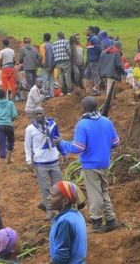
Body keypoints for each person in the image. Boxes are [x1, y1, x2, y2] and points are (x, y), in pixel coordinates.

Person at [56, 96, 120, 233]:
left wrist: (62, 143)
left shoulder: (83, 124)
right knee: (104, 190)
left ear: (83, 108)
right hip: (105, 162)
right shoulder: (106, 121)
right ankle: (111, 219)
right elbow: (116, 143)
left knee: (94, 193)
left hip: (91, 164)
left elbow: (78, 147)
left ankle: (96, 221)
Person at [24, 106, 65, 220]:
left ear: (44, 113)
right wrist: (29, 161)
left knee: (58, 187)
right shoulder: (30, 129)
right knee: (45, 188)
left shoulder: (52, 125)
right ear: (33, 116)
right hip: (40, 163)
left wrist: (63, 152)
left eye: (40, 113)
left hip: (54, 160)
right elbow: (27, 146)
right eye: (36, 114)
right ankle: (49, 210)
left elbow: (58, 138)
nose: (39, 116)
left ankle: (60, 209)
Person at [48, 181, 88, 264]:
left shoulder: (65, 221)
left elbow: (62, 256)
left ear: (65, 201)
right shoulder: (77, 215)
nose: (48, 198)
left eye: (53, 196)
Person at [84, 26, 102, 94]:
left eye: (86, 30)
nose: (85, 31)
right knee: (87, 74)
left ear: (90, 31)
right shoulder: (90, 39)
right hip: (90, 60)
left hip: (93, 60)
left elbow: (98, 49)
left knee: (95, 74)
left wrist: (95, 57)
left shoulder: (94, 39)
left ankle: (96, 89)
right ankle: (89, 89)